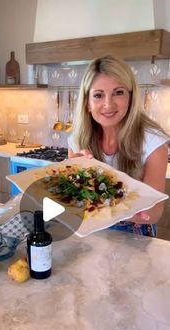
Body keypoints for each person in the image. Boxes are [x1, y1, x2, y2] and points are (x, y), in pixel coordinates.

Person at [68, 55, 169, 237]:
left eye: (118, 92)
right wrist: (71, 180)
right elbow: (74, 203)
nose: (108, 104)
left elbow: (154, 212)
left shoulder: (154, 142)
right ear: (87, 104)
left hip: (135, 237)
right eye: (98, 95)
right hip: (91, 234)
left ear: (131, 97)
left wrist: (126, 209)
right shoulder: (77, 140)